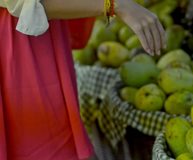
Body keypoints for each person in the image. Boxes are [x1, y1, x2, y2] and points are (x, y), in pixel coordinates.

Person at [0, 0, 166, 159]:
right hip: (20, 50)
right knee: (37, 146)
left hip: (39, 39)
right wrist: (114, 4)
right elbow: (25, 5)